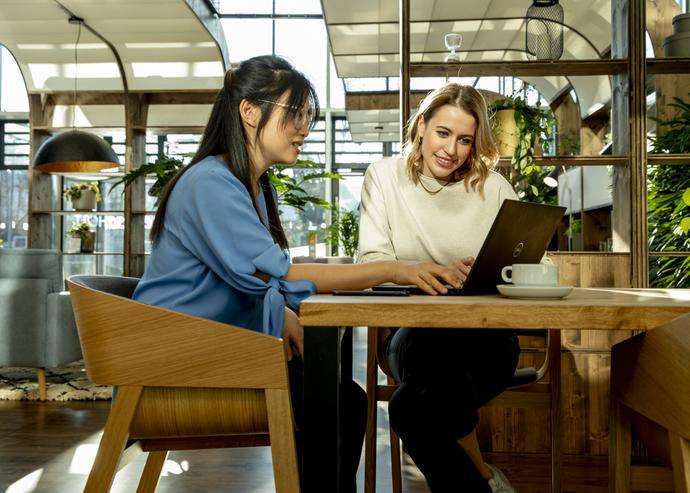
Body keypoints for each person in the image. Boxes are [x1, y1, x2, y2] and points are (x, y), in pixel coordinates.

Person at [132, 55, 466, 492]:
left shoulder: (246, 183)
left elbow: (258, 277)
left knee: (343, 399)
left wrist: (284, 312)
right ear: (249, 112)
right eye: (294, 115)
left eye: (307, 117)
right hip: (173, 371)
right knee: (337, 402)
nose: (304, 129)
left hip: (204, 356)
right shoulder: (210, 183)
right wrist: (393, 269)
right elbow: (281, 272)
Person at [358, 83, 521, 493]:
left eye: (464, 139)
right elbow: (369, 261)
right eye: (442, 133)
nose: (451, 149)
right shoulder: (385, 177)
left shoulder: (494, 187)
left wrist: (491, 271)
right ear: (421, 126)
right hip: (412, 337)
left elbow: (536, 263)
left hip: (486, 339)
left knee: (411, 408)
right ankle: (482, 479)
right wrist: (417, 270)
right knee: (421, 395)